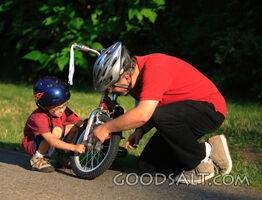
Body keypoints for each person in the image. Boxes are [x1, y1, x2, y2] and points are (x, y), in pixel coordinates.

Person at [91, 42, 232, 184]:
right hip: (180, 113)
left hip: (210, 109)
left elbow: (144, 114)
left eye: (111, 86)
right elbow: (157, 106)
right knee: (147, 166)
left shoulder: (154, 68)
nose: (111, 91)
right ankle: (212, 150)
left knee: (160, 116)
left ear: (126, 78)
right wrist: (141, 129)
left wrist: (106, 128)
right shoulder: (135, 80)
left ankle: (201, 161)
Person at [21, 76, 86, 172]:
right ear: (45, 105)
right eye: (58, 108)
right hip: (34, 143)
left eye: (64, 105)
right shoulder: (38, 117)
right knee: (56, 131)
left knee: (73, 127)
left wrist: (91, 131)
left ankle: (63, 157)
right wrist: (74, 147)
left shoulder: (62, 109)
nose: (62, 110)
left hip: (53, 136)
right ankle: (37, 158)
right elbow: (51, 140)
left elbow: (80, 124)